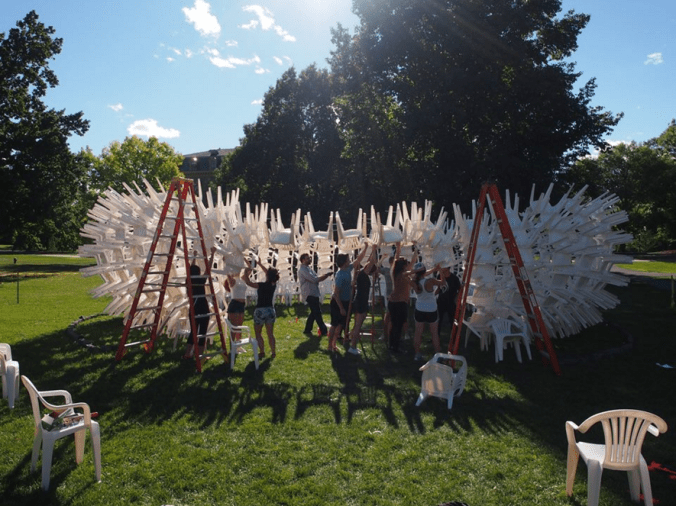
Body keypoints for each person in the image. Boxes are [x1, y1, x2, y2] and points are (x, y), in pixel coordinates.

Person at [328, 244, 368, 353]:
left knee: (341, 325)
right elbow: (336, 294)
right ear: (344, 262)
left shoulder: (348, 269)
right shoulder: (341, 275)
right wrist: (341, 308)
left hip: (345, 302)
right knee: (334, 324)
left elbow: (358, 260)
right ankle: (329, 346)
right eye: (348, 259)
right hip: (337, 302)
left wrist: (365, 248)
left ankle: (334, 343)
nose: (349, 260)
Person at [184, 248, 216, 359]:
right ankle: (200, 355)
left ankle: (188, 353)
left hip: (193, 308)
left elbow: (190, 269)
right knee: (202, 331)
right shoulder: (201, 280)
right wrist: (212, 254)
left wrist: (194, 256)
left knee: (193, 332)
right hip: (202, 307)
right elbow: (208, 268)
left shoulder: (188, 280)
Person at [243, 262, 279, 359]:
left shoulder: (260, 285)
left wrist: (245, 272)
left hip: (260, 311)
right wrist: (259, 264)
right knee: (270, 334)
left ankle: (262, 352)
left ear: (267, 275)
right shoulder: (273, 284)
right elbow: (269, 273)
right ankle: (273, 352)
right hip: (270, 310)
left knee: (258, 333)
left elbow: (248, 282)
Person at [410, 262, 445, 361]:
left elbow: (407, 275)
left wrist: (433, 269)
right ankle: (438, 355)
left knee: (418, 333)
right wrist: (440, 270)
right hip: (431, 309)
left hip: (420, 309)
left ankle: (417, 354)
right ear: (424, 272)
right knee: (434, 334)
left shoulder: (413, 281)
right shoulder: (431, 281)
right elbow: (443, 283)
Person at [347, 248, 378, 355]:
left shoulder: (361, 273)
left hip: (360, 300)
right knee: (358, 326)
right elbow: (372, 261)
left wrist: (373, 251)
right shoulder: (364, 274)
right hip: (361, 301)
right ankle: (352, 346)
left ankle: (352, 341)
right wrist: (375, 247)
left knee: (357, 324)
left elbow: (370, 261)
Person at [387, 242, 417, 353]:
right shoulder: (405, 274)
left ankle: (392, 345)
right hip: (400, 303)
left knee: (394, 324)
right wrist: (416, 248)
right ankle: (396, 347)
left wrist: (398, 247)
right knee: (398, 326)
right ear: (404, 266)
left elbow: (396, 259)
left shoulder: (394, 273)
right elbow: (413, 261)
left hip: (393, 302)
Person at [298, 252, 332, 337]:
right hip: (309, 293)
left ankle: (307, 329)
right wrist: (326, 275)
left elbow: (316, 278)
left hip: (314, 292)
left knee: (314, 312)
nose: (309, 259)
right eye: (307, 258)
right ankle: (324, 330)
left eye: (309, 258)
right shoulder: (303, 270)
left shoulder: (308, 269)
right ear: (303, 260)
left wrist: (325, 276)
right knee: (317, 312)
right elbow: (314, 280)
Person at [224, 270, 247, 348]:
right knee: (234, 327)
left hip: (242, 305)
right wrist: (229, 271)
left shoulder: (242, 279)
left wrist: (246, 262)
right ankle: (232, 347)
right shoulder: (232, 280)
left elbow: (249, 269)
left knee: (239, 326)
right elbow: (227, 273)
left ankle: (238, 346)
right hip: (235, 305)